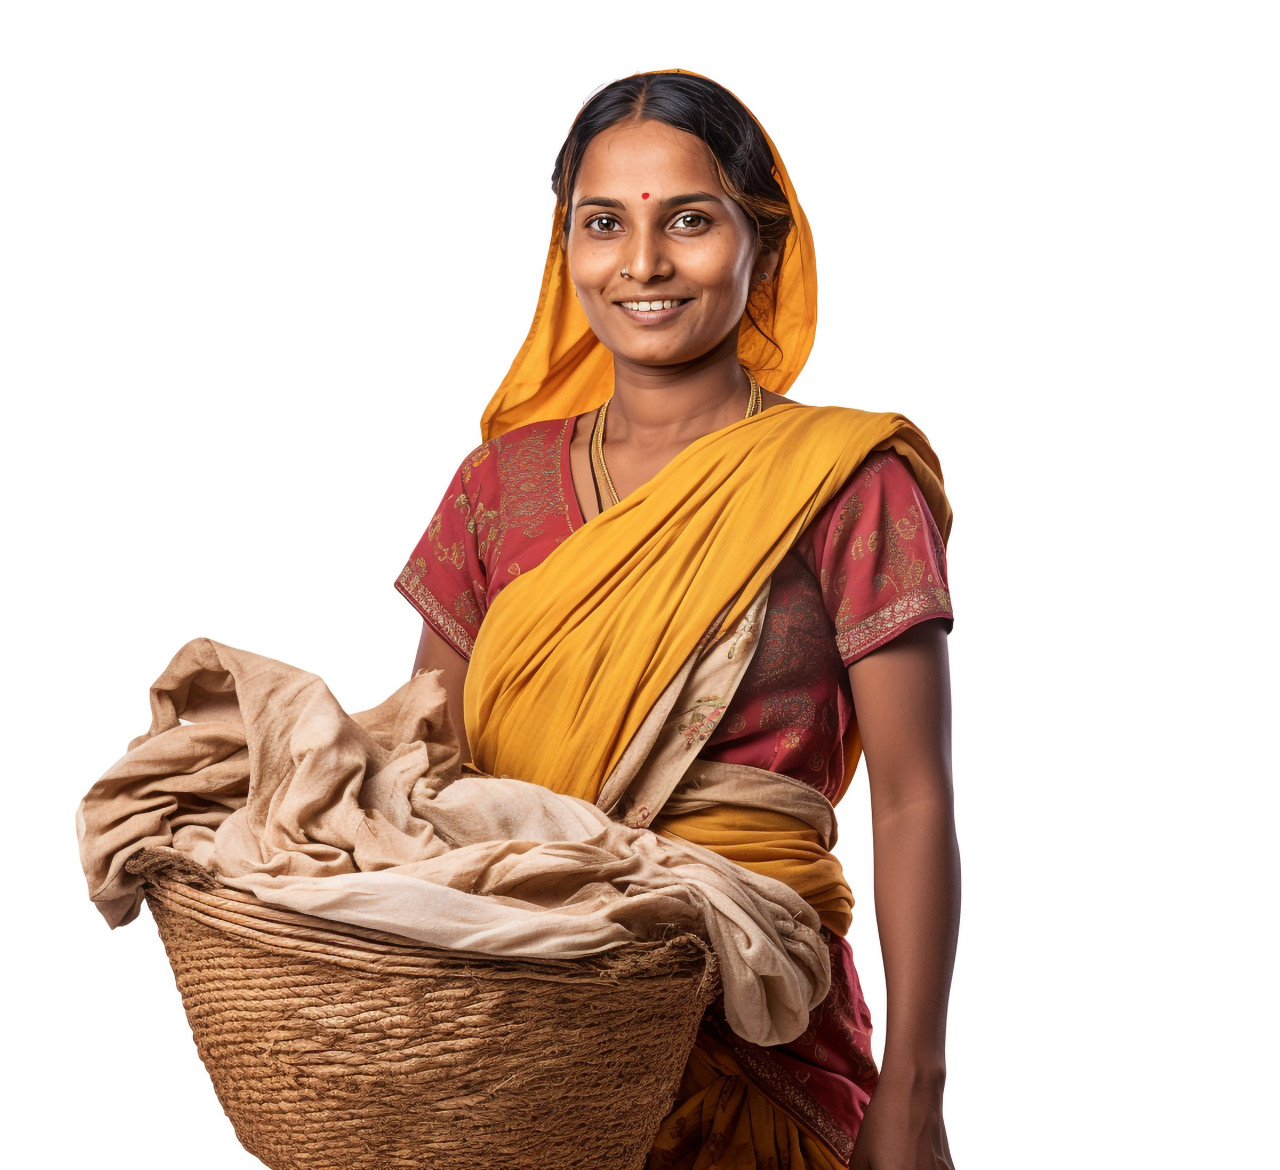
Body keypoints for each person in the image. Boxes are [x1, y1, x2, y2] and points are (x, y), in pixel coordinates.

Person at [396, 69, 959, 1170]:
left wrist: (916, 1094)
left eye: (687, 222)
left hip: (765, 1040)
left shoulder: (841, 478)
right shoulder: (495, 488)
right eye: (603, 224)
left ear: (763, 241)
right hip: (528, 1048)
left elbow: (913, 797)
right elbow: (421, 786)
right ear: (565, 250)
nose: (641, 264)